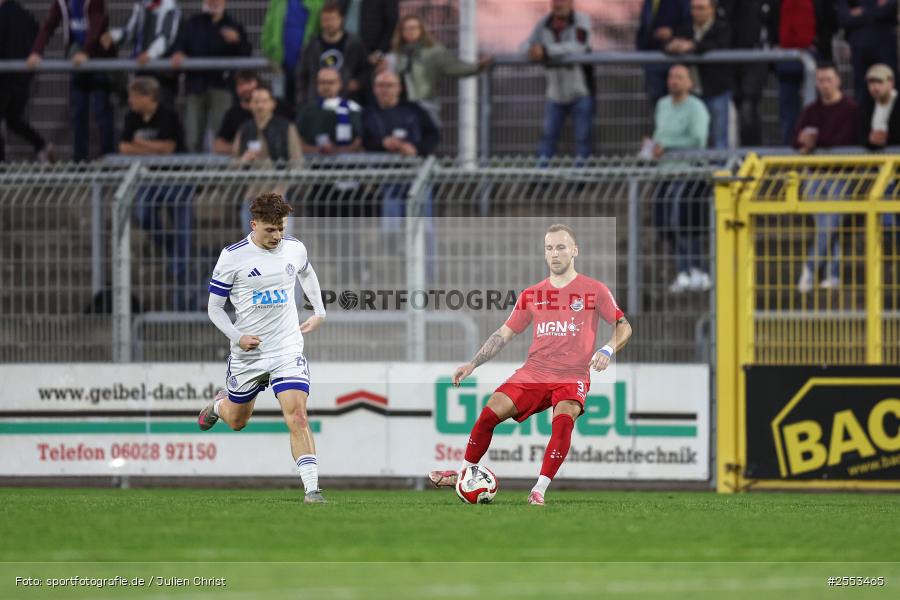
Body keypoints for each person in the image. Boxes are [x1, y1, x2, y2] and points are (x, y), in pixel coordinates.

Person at [428, 224, 632, 505]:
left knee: (563, 423)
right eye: (549, 248)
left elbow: (624, 326)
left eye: (561, 247)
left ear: (575, 251)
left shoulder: (594, 290)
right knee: (488, 415)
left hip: (572, 374)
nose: (555, 253)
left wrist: (607, 349)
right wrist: (473, 364)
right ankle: (464, 475)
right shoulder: (532, 294)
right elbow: (503, 334)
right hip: (534, 372)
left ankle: (539, 490)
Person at [199, 192, 328, 504]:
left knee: (297, 415)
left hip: (286, 348)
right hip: (249, 355)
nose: (278, 236)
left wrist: (320, 311)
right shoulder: (232, 257)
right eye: (271, 230)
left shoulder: (294, 249)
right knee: (237, 421)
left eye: (281, 228)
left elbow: (307, 273)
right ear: (253, 224)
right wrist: (237, 336)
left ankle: (312, 490)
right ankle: (219, 406)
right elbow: (214, 309)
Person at [119, 76, 194, 310]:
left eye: (134, 96)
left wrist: (139, 146)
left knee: (184, 230)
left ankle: (182, 295)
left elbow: (169, 148)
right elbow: (123, 147)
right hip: (149, 180)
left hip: (176, 180)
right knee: (142, 213)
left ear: (148, 97)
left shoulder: (168, 116)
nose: (130, 101)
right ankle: (170, 244)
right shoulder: (131, 117)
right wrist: (154, 149)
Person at [642, 64, 712, 293]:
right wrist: (652, 146)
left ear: (690, 82)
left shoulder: (697, 108)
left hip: (687, 173)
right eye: (672, 76)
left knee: (684, 222)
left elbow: (698, 141)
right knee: (667, 224)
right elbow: (660, 135)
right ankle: (682, 271)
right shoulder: (662, 105)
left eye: (680, 77)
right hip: (665, 172)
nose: (674, 81)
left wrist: (668, 147)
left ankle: (698, 270)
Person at [794, 63, 859, 293]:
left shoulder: (850, 108)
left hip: (841, 175)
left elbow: (845, 140)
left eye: (828, 80)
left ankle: (809, 269)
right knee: (826, 225)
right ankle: (833, 273)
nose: (824, 85)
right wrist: (806, 143)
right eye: (820, 80)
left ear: (838, 81)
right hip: (815, 174)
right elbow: (798, 138)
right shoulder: (811, 109)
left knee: (829, 223)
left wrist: (815, 141)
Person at [28, 0, 117, 161]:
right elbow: (48, 25)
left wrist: (86, 52)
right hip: (77, 62)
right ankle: (79, 161)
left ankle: (109, 158)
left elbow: (96, 26)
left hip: (98, 59)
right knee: (78, 111)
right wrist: (37, 51)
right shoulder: (63, 2)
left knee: (102, 110)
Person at [171, 0, 251, 152]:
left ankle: (218, 172)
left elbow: (246, 54)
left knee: (220, 132)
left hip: (222, 86)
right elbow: (180, 44)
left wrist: (236, 41)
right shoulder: (193, 23)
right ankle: (192, 170)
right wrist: (178, 52)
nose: (214, 2)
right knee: (192, 134)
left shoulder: (233, 24)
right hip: (195, 85)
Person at [383, 14, 491, 127]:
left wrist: (476, 67)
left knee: (426, 138)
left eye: (414, 28)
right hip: (400, 107)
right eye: (406, 29)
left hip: (425, 104)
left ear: (422, 30)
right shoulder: (394, 56)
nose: (410, 32)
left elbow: (454, 66)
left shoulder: (434, 52)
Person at [526, 0, 594, 161]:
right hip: (554, 94)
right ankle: (542, 180)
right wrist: (532, 51)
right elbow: (525, 45)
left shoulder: (582, 20)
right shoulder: (543, 23)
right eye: (555, 1)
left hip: (581, 92)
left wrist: (547, 51)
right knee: (547, 139)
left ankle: (580, 181)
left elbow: (579, 46)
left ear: (571, 3)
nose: (558, 4)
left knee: (582, 140)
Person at [765, 0, 838, 145]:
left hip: (814, 57)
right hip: (785, 58)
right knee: (788, 111)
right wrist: (775, 44)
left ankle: (820, 149)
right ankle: (790, 150)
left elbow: (831, 19)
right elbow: (770, 19)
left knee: (818, 107)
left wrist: (818, 44)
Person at [666, 0, 731, 149]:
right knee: (693, 136)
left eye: (701, 8)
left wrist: (692, 46)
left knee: (718, 137)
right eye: (694, 8)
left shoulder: (722, 28)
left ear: (712, 9)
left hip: (716, 90)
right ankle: (696, 171)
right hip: (691, 93)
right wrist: (673, 46)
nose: (696, 12)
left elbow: (720, 45)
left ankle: (720, 171)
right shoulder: (685, 28)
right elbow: (669, 45)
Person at [0, 0, 53, 162]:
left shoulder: (2, 15)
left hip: (4, 77)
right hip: (23, 76)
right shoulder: (26, 15)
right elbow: (39, 38)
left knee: (10, 119)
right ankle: (41, 146)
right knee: (13, 119)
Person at [104, 0, 181, 107]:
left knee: (161, 115)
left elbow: (166, 38)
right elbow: (130, 32)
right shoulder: (142, 5)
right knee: (136, 114)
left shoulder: (170, 7)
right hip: (142, 71)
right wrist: (113, 36)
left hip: (162, 75)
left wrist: (150, 54)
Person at [297, 0, 369, 105]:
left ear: (341, 20)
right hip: (317, 102)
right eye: (325, 20)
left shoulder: (354, 44)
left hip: (347, 99)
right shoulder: (312, 45)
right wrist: (302, 101)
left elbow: (366, 69)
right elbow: (302, 74)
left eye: (332, 19)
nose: (329, 23)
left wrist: (357, 82)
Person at [261, 0, 324, 109]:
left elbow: (321, 28)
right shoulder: (278, 2)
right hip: (284, 64)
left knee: (308, 103)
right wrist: (270, 55)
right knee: (285, 104)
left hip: (310, 65)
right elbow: (269, 26)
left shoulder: (318, 2)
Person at [214, 71, 294, 155]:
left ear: (273, 104)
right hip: (248, 163)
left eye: (248, 82)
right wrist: (244, 149)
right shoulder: (242, 125)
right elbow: (219, 146)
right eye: (241, 84)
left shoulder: (283, 113)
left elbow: (296, 144)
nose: (245, 88)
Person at [837, 0, 898, 105]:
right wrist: (875, 11)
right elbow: (844, 18)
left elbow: (890, 9)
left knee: (889, 92)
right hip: (860, 52)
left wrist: (862, 12)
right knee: (862, 95)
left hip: (885, 50)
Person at [635, 0, 690, 107]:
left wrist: (673, 33)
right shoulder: (649, 2)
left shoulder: (682, 3)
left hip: (676, 58)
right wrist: (640, 50)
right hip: (652, 59)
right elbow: (644, 27)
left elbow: (689, 23)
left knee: (678, 101)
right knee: (657, 102)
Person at [297, 67, 363, 154]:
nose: (326, 86)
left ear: (340, 84)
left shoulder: (353, 108)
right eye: (322, 82)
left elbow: (360, 140)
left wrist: (337, 151)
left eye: (331, 82)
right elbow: (298, 140)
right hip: (314, 163)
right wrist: (318, 151)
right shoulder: (307, 111)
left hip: (348, 163)